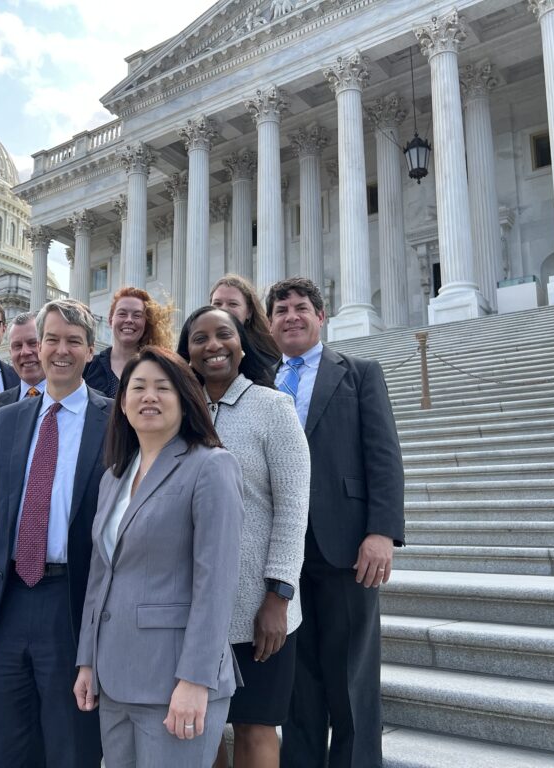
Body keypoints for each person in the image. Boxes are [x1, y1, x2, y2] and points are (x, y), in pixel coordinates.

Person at [74, 346, 244, 768]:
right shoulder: (114, 476)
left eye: (162, 388)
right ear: (123, 403)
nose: (148, 397)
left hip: (174, 678)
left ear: (185, 399)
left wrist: (194, 680)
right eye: (138, 388)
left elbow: (216, 584)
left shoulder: (211, 466)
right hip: (114, 677)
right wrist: (87, 661)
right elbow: (101, 576)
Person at [0, 298, 109, 768]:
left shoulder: (116, 420)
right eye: (52, 340)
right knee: (3, 745)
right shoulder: (6, 420)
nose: (60, 350)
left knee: (71, 746)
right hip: (7, 606)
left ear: (90, 351)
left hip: (72, 604)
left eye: (73, 341)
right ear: (37, 347)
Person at [265, 278, 405, 768]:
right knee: (298, 686)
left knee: (351, 682)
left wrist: (382, 532)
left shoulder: (359, 372)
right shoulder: (262, 384)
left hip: (345, 545)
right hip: (281, 555)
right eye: (281, 310)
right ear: (269, 323)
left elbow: (383, 456)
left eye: (301, 308)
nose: (291, 317)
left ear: (321, 316)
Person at [177, 306, 310, 768]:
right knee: (200, 727)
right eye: (200, 338)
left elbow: (294, 510)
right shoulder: (179, 414)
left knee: (255, 728)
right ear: (187, 352)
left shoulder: (273, 407)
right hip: (193, 606)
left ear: (241, 343)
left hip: (259, 608)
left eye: (223, 335)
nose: (213, 346)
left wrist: (279, 595)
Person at [83, 286, 174, 397]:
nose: (129, 320)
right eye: (122, 314)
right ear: (111, 320)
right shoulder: (88, 367)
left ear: (146, 323)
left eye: (137, 315)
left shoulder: (161, 368)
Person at [209, 274, 281, 369]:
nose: (224, 309)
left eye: (233, 304)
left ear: (249, 312)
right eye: (217, 303)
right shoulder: (196, 349)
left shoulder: (266, 361)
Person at [0, 311, 47, 407]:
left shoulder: (72, 397)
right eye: (17, 346)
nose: (25, 352)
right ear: (10, 353)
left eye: (33, 343)